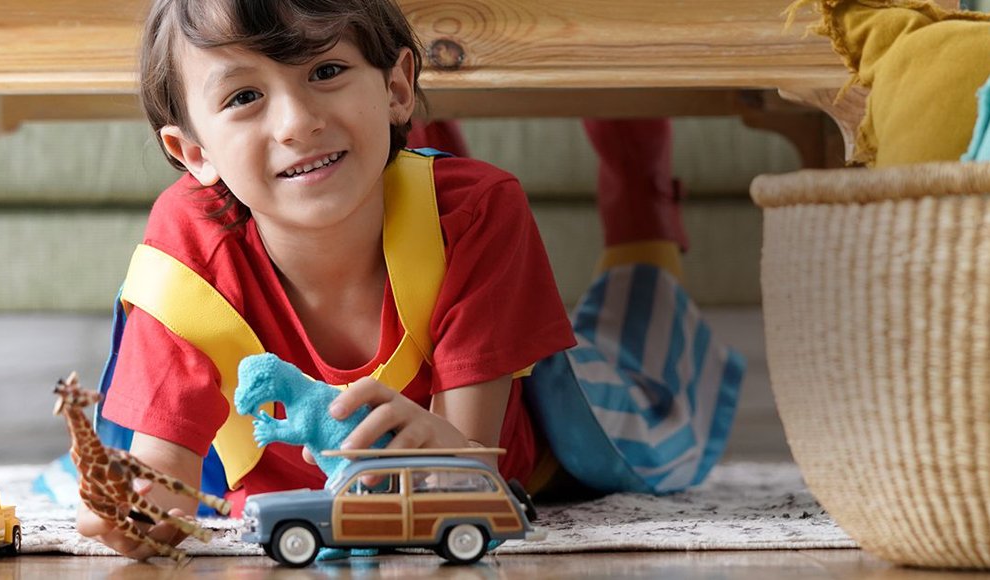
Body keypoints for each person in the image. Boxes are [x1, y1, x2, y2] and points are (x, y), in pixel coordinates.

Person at [75, 0, 744, 560]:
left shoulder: (477, 208)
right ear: (192, 152)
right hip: (305, 478)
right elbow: (163, 488)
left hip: (533, 440)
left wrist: (446, 449)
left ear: (397, 88)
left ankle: (641, 204)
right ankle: (427, 142)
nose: (297, 122)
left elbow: (471, 470)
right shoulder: (184, 247)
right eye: (244, 96)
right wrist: (139, 518)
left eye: (326, 70)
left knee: (646, 361)